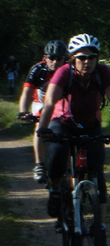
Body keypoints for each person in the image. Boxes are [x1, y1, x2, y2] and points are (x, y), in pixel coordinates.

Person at [35, 33, 110, 246]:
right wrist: (43, 129)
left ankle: (100, 225)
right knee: (57, 154)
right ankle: (55, 190)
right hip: (62, 123)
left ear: (97, 59)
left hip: (90, 124)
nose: (87, 62)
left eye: (91, 57)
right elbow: (49, 102)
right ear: (73, 59)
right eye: (81, 58)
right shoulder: (64, 72)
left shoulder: (102, 73)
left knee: (97, 170)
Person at [17, 40, 69, 184]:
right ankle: (39, 164)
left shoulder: (70, 69)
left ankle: (70, 167)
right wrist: (23, 111)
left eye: (59, 59)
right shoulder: (38, 69)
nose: (55, 62)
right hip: (41, 101)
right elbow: (27, 92)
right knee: (39, 127)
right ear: (45, 57)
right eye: (51, 58)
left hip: (63, 101)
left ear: (65, 58)